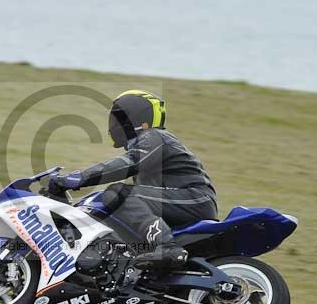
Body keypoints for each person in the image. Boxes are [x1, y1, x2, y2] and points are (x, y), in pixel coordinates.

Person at [49, 89, 217, 271]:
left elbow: (128, 163)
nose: (113, 124)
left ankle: (168, 248)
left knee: (119, 193)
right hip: (178, 201)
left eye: (119, 118)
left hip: (194, 198)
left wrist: (80, 177)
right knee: (108, 203)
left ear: (137, 118)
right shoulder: (147, 143)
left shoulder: (155, 136)